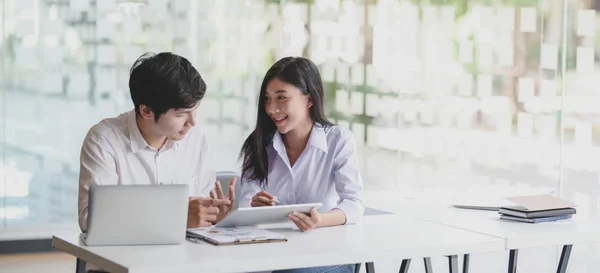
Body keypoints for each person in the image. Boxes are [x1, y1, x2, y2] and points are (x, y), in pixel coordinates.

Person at [78, 52, 236, 272]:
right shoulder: (104, 139)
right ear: (146, 110)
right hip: (121, 266)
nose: (193, 121)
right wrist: (178, 216)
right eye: (182, 113)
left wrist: (213, 215)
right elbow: (91, 221)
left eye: (195, 108)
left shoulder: (196, 138)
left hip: (185, 262)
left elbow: (200, 212)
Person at [239, 57, 365, 273]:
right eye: (267, 99)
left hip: (325, 253)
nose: (271, 108)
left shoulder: (338, 140)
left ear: (309, 100)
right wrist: (254, 206)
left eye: (281, 98)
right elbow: (244, 205)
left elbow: (354, 203)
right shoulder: (259, 143)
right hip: (272, 253)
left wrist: (321, 220)